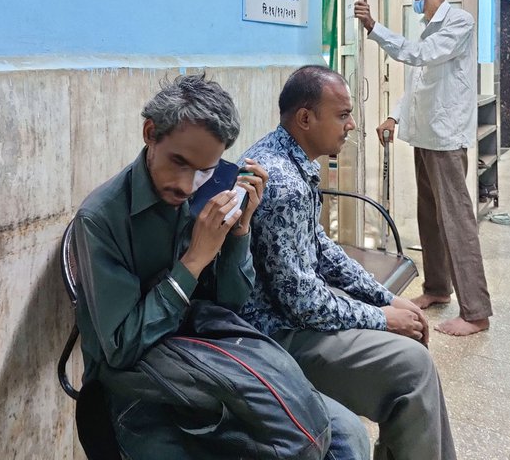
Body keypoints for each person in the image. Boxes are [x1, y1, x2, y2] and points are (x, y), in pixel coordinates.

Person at [71, 74, 370, 459]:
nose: (187, 185)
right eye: (178, 161)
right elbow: (120, 348)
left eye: (204, 170)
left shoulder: (218, 184)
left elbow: (231, 304)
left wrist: (240, 233)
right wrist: (194, 260)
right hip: (133, 386)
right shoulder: (101, 219)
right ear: (150, 134)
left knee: (344, 436)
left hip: (213, 356)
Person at [239, 65, 456, 460]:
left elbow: (320, 246)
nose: (352, 125)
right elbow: (301, 303)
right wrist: (383, 318)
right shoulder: (282, 183)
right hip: (275, 338)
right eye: (342, 115)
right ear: (305, 118)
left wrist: (383, 299)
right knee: (412, 367)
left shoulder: (287, 157)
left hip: (295, 316)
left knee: (407, 348)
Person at [354, 0, 492, 336]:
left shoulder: (459, 23)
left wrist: (374, 27)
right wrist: (394, 117)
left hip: (446, 140)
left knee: (457, 221)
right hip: (424, 136)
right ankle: (436, 288)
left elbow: (419, 56)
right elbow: (418, 83)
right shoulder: (427, 27)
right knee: (429, 216)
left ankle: (476, 312)